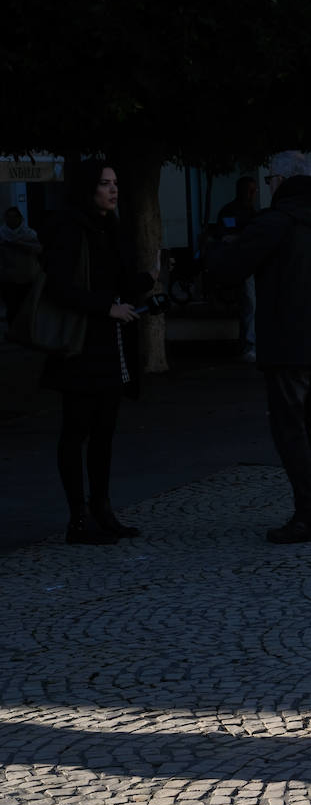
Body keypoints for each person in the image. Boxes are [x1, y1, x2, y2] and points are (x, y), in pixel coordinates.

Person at [205, 151, 311, 544]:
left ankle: (310, 514)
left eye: (269, 178)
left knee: (291, 430)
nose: (267, 185)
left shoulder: (277, 221)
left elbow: (228, 267)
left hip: (287, 343)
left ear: (282, 181)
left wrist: (216, 248)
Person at [40, 160, 158, 545]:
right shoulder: (69, 227)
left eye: (116, 182)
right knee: (76, 431)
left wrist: (146, 282)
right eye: (105, 183)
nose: (113, 190)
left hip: (110, 345)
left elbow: (117, 278)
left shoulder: (111, 227)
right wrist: (106, 307)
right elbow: (59, 286)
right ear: (88, 188)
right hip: (79, 345)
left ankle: (101, 509)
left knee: (104, 430)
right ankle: (79, 517)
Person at [216, 176, 260, 360]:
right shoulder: (234, 211)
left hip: (248, 263)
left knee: (249, 305)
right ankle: (249, 344)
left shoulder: (250, 212)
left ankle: (247, 344)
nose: (253, 194)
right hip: (242, 264)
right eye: (250, 190)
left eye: (254, 190)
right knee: (249, 304)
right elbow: (225, 236)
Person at [1, 206, 43, 323]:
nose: (12, 220)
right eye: (9, 217)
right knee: (12, 308)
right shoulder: (2, 234)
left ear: (20, 218)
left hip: (28, 277)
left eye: (14, 217)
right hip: (9, 279)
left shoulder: (30, 234)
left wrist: (19, 244)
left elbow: (39, 249)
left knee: (28, 308)